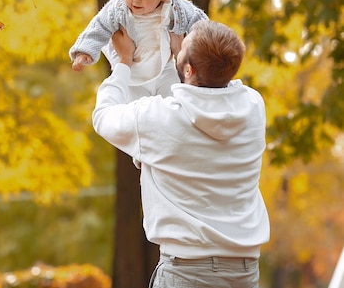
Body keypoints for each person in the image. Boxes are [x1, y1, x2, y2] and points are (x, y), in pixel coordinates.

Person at [92, 20, 270, 287]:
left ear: (188, 69)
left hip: (187, 272)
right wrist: (188, 56)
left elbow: (104, 117)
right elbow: (199, 95)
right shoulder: (253, 106)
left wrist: (123, 63)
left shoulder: (157, 118)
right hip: (243, 272)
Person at [69, 0, 208, 100]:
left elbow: (198, 21)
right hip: (132, 74)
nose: (136, 0)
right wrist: (84, 52)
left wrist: (206, 44)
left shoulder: (174, 6)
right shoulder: (119, 7)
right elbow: (99, 26)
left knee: (175, 98)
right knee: (138, 108)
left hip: (165, 69)